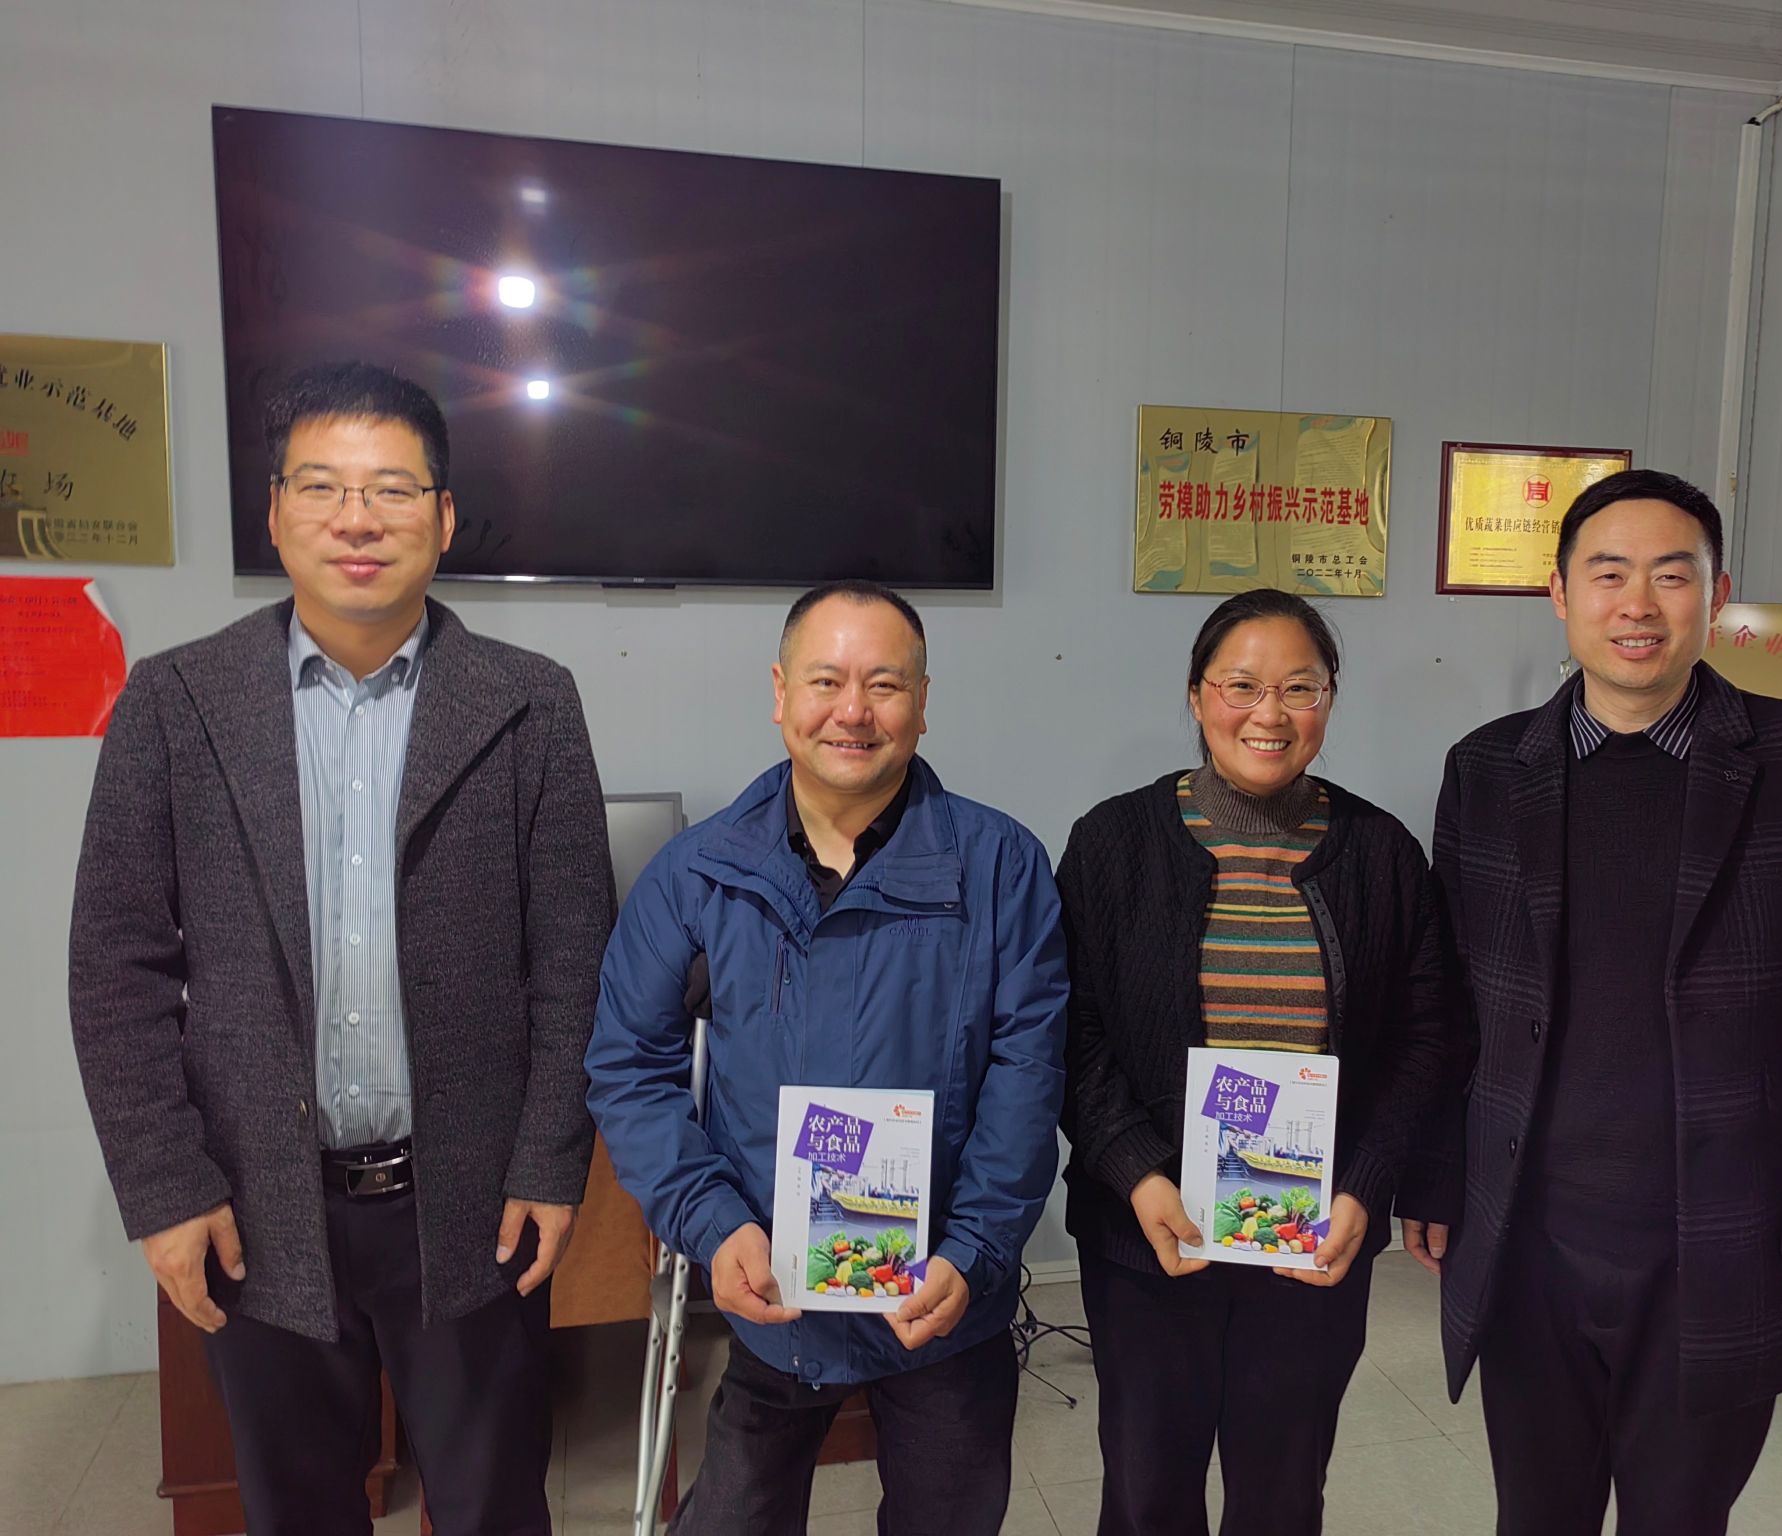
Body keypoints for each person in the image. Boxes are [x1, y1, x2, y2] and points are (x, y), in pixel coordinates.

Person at [69, 361, 615, 1536]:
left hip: (470, 1201)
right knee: (299, 1511)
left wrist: (546, 1161)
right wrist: (165, 1189)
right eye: (321, 487)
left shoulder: (529, 702)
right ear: (274, 513)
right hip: (256, 1205)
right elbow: (115, 965)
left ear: (444, 518)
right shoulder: (175, 701)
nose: (356, 519)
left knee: (492, 1508)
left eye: (392, 490)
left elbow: (575, 955)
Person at [1398, 469, 1782, 1535]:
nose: (1638, 605)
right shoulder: (1487, 768)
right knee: (1535, 1514)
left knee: (1679, 1517)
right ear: (1559, 594)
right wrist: (1434, 1178)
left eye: (1671, 577)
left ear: (1714, 596)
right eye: (1608, 574)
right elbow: (1451, 1003)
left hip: (1716, 1237)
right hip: (1528, 1237)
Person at [585, 579, 1068, 1536]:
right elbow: (628, 1064)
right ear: (780, 693)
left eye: (884, 684)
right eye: (826, 681)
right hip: (769, 1290)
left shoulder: (1001, 866)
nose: (853, 711)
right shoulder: (697, 872)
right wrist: (713, 1225)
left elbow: (1028, 1073)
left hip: (944, 1300)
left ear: (922, 702)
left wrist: (974, 1252)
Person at [1057, 588, 1453, 1535]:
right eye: (1241, 685)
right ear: (1199, 695)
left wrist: (1366, 1184)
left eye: (1299, 688)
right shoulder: (1114, 844)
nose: (1269, 713)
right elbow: (1071, 1029)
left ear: (1328, 700)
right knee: (1147, 1496)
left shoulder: (1383, 855)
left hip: (1312, 1244)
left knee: (1282, 1496)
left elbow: (1428, 1035)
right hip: (1147, 1240)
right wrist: (1136, 1171)